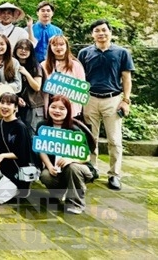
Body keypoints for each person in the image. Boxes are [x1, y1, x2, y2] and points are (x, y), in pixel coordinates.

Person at [77, 20, 134, 191]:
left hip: (113, 99)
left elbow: (126, 78)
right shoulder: (84, 53)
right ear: (92, 34)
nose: (101, 33)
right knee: (89, 138)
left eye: (104, 30)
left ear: (110, 32)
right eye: (97, 31)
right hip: (89, 98)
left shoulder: (122, 52)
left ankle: (114, 175)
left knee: (114, 140)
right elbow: (80, 77)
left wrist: (126, 100)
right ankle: (91, 170)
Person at [37, 95, 95, 214]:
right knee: (45, 175)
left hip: (79, 168)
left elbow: (87, 156)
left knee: (72, 168)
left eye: (62, 108)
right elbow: (40, 149)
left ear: (68, 111)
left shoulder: (74, 129)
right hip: (56, 168)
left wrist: (71, 159)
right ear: (48, 108)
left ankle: (76, 202)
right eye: (53, 107)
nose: (57, 111)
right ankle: (58, 193)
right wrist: (48, 166)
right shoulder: (42, 126)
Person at [41, 35, 86, 118]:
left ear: (66, 46)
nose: (58, 47)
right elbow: (42, 91)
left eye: (61, 44)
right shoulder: (43, 65)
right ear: (50, 47)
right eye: (54, 45)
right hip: (51, 110)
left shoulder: (76, 65)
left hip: (72, 110)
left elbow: (82, 90)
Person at [13, 39, 44, 133]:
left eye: (27, 49)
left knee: (31, 135)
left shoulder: (36, 66)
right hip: (15, 104)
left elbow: (37, 87)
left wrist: (26, 73)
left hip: (33, 106)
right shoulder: (11, 64)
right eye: (20, 48)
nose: (23, 51)